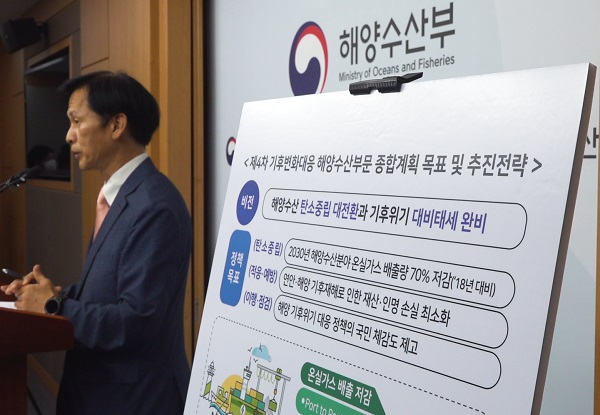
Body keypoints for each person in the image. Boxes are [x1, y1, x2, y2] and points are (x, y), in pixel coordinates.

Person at [1, 71, 192, 414]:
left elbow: (136, 321)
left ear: (116, 124)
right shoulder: (118, 195)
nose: (68, 135)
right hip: (99, 390)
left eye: (77, 121)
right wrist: (52, 294)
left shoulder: (155, 206)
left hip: (134, 400)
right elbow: (108, 291)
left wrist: (54, 306)